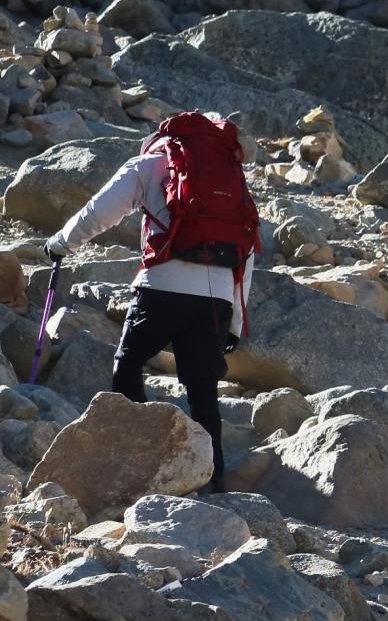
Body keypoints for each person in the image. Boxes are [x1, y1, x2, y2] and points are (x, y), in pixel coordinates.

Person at [43, 113, 258, 490]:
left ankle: (140, 457)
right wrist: (236, 321)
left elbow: (100, 211)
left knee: (127, 366)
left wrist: (61, 244)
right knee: (202, 389)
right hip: (217, 297)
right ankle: (212, 478)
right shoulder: (231, 179)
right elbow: (247, 250)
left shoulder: (152, 163)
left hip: (162, 286)